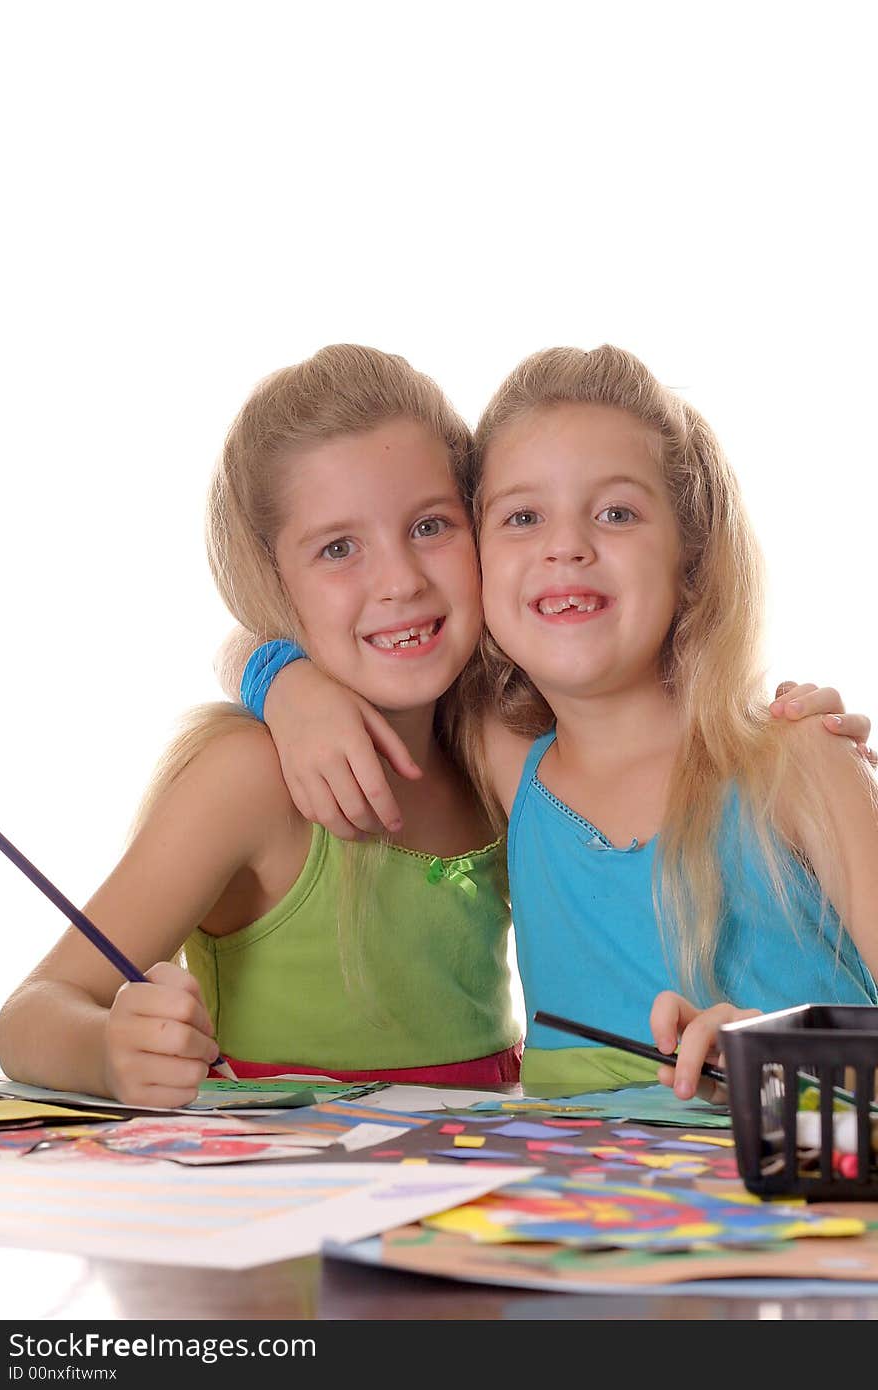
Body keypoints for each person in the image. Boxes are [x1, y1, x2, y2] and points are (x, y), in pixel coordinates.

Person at [226, 346, 878, 1099]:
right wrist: (281, 679)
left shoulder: (799, 765)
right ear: (478, 560)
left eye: (616, 512)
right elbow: (344, 623)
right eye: (523, 517)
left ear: (690, 553)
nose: (566, 545)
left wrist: (790, 1046)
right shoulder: (504, 761)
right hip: (573, 1212)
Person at [0, 345, 522, 1107]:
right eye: (339, 548)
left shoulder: (490, 749)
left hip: (475, 1197)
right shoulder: (248, 778)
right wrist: (108, 1052)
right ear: (271, 580)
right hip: (277, 1209)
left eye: (431, 525)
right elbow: (26, 1017)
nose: (401, 580)